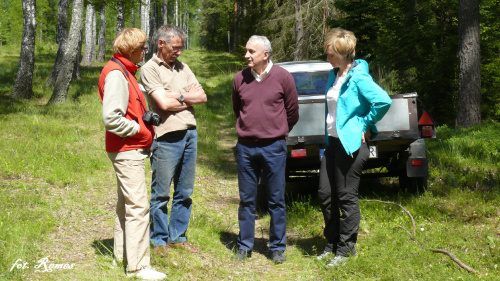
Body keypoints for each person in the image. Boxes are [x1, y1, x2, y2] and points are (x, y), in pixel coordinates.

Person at [317, 28, 392, 267]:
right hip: (332, 143)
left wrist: (364, 123)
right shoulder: (334, 75)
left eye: (330, 54)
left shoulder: (359, 77)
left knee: (346, 196)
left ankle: (346, 249)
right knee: (326, 195)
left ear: (343, 53)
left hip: (351, 145)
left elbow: (383, 101)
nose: (327, 59)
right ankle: (331, 244)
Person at [98, 28, 166, 280]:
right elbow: (111, 118)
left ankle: (122, 257)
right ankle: (138, 267)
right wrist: (139, 128)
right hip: (127, 150)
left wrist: (143, 117)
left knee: (125, 205)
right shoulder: (117, 74)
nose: (145, 51)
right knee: (138, 207)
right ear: (131, 50)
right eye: (143, 47)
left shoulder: (124, 70)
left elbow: (124, 109)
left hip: (127, 148)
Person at [231, 35, 299, 264]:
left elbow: (292, 113)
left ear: (266, 54)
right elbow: (238, 109)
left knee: (276, 199)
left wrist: (276, 131)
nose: (247, 55)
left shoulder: (283, 77)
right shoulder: (239, 78)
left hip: (274, 147)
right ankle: (245, 245)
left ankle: (277, 247)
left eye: (252, 51)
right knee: (247, 199)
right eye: (246, 51)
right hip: (246, 148)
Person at [140, 25, 207, 256]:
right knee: (161, 193)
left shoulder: (183, 67)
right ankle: (159, 240)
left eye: (181, 48)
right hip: (166, 136)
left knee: (185, 190)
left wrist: (178, 95)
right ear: (161, 44)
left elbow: (202, 96)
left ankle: (177, 236)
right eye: (175, 48)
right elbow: (163, 104)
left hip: (190, 133)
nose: (179, 52)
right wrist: (188, 99)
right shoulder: (150, 69)